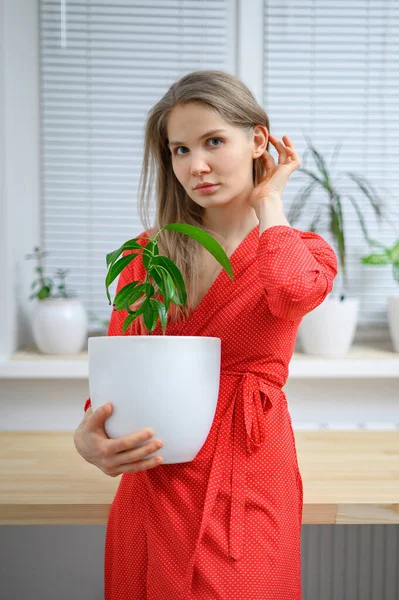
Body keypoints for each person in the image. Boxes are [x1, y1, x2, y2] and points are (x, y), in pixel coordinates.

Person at [74, 69, 338, 599]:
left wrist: (269, 203)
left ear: (257, 139)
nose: (195, 166)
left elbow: (289, 293)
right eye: (179, 150)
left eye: (214, 141)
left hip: (248, 485)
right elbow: (119, 376)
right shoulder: (146, 258)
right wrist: (90, 436)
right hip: (153, 483)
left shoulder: (304, 251)